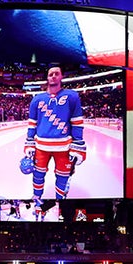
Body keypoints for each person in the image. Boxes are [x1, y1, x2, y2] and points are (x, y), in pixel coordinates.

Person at [24, 66, 85, 203]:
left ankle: (60, 202)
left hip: (64, 147)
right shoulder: (36, 99)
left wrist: (78, 145)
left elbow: (77, 122)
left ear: (61, 76)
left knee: (63, 176)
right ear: (47, 77)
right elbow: (32, 123)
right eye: (51, 74)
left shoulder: (72, 96)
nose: (53, 76)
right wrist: (29, 143)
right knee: (38, 175)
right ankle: (37, 197)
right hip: (41, 147)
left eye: (57, 73)